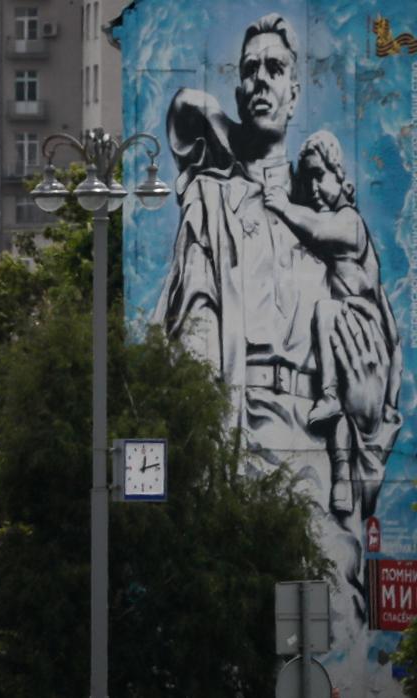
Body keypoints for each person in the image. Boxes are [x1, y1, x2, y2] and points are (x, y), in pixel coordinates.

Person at [154, 12, 402, 679]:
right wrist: (202, 440)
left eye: (275, 69)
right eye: (249, 70)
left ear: (298, 91)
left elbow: (378, 359)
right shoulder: (211, 199)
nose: (260, 80)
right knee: (232, 637)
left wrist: (364, 395)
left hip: (317, 452)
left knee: (336, 629)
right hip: (240, 433)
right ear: (238, 94)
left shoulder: (330, 220)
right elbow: (193, 328)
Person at [263, 130, 393, 515]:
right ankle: (341, 480)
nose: (314, 188)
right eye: (307, 180)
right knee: (339, 421)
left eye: (319, 175)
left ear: (340, 174)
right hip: (346, 340)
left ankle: (332, 392)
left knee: (325, 310)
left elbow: (318, 230)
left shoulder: (350, 222)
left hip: (360, 328)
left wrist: (283, 205)